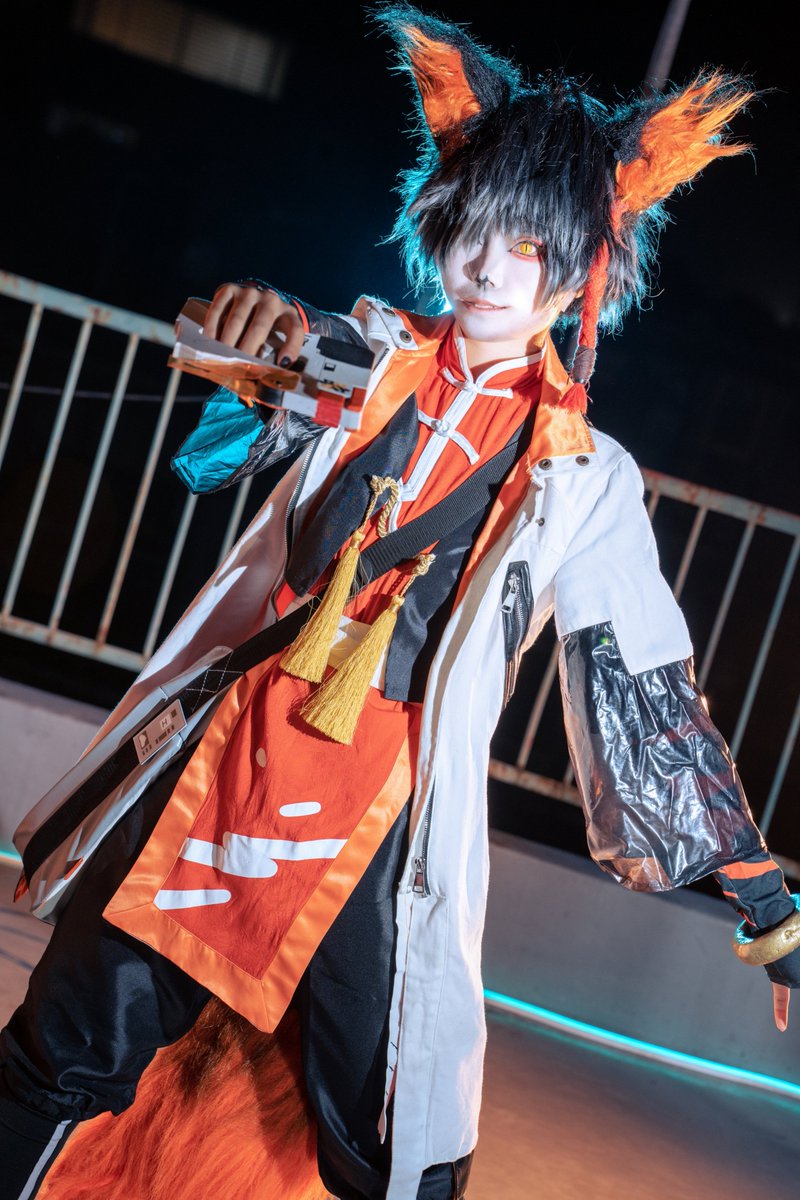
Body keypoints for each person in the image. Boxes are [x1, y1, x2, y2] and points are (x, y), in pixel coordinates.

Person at [2, 5, 799, 1199]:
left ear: (581, 269)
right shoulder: (369, 355)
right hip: (228, 765)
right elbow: (239, 420)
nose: (485, 266)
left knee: (396, 1158)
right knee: (57, 1054)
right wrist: (247, 337)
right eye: (470, 228)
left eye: (524, 243)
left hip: (379, 820)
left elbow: (639, 696)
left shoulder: (583, 474)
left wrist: (760, 896)